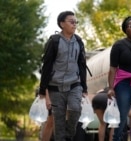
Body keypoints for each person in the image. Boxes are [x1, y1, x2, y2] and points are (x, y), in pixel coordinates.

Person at [38, 11, 88, 141]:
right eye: (71, 21)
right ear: (62, 24)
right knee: (58, 121)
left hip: (74, 84)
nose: (74, 24)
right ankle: (62, 137)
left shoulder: (78, 41)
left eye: (75, 22)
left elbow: (82, 64)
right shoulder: (54, 41)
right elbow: (47, 66)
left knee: (75, 109)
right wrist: (43, 90)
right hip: (55, 86)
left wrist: (84, 87)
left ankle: (69, 134)